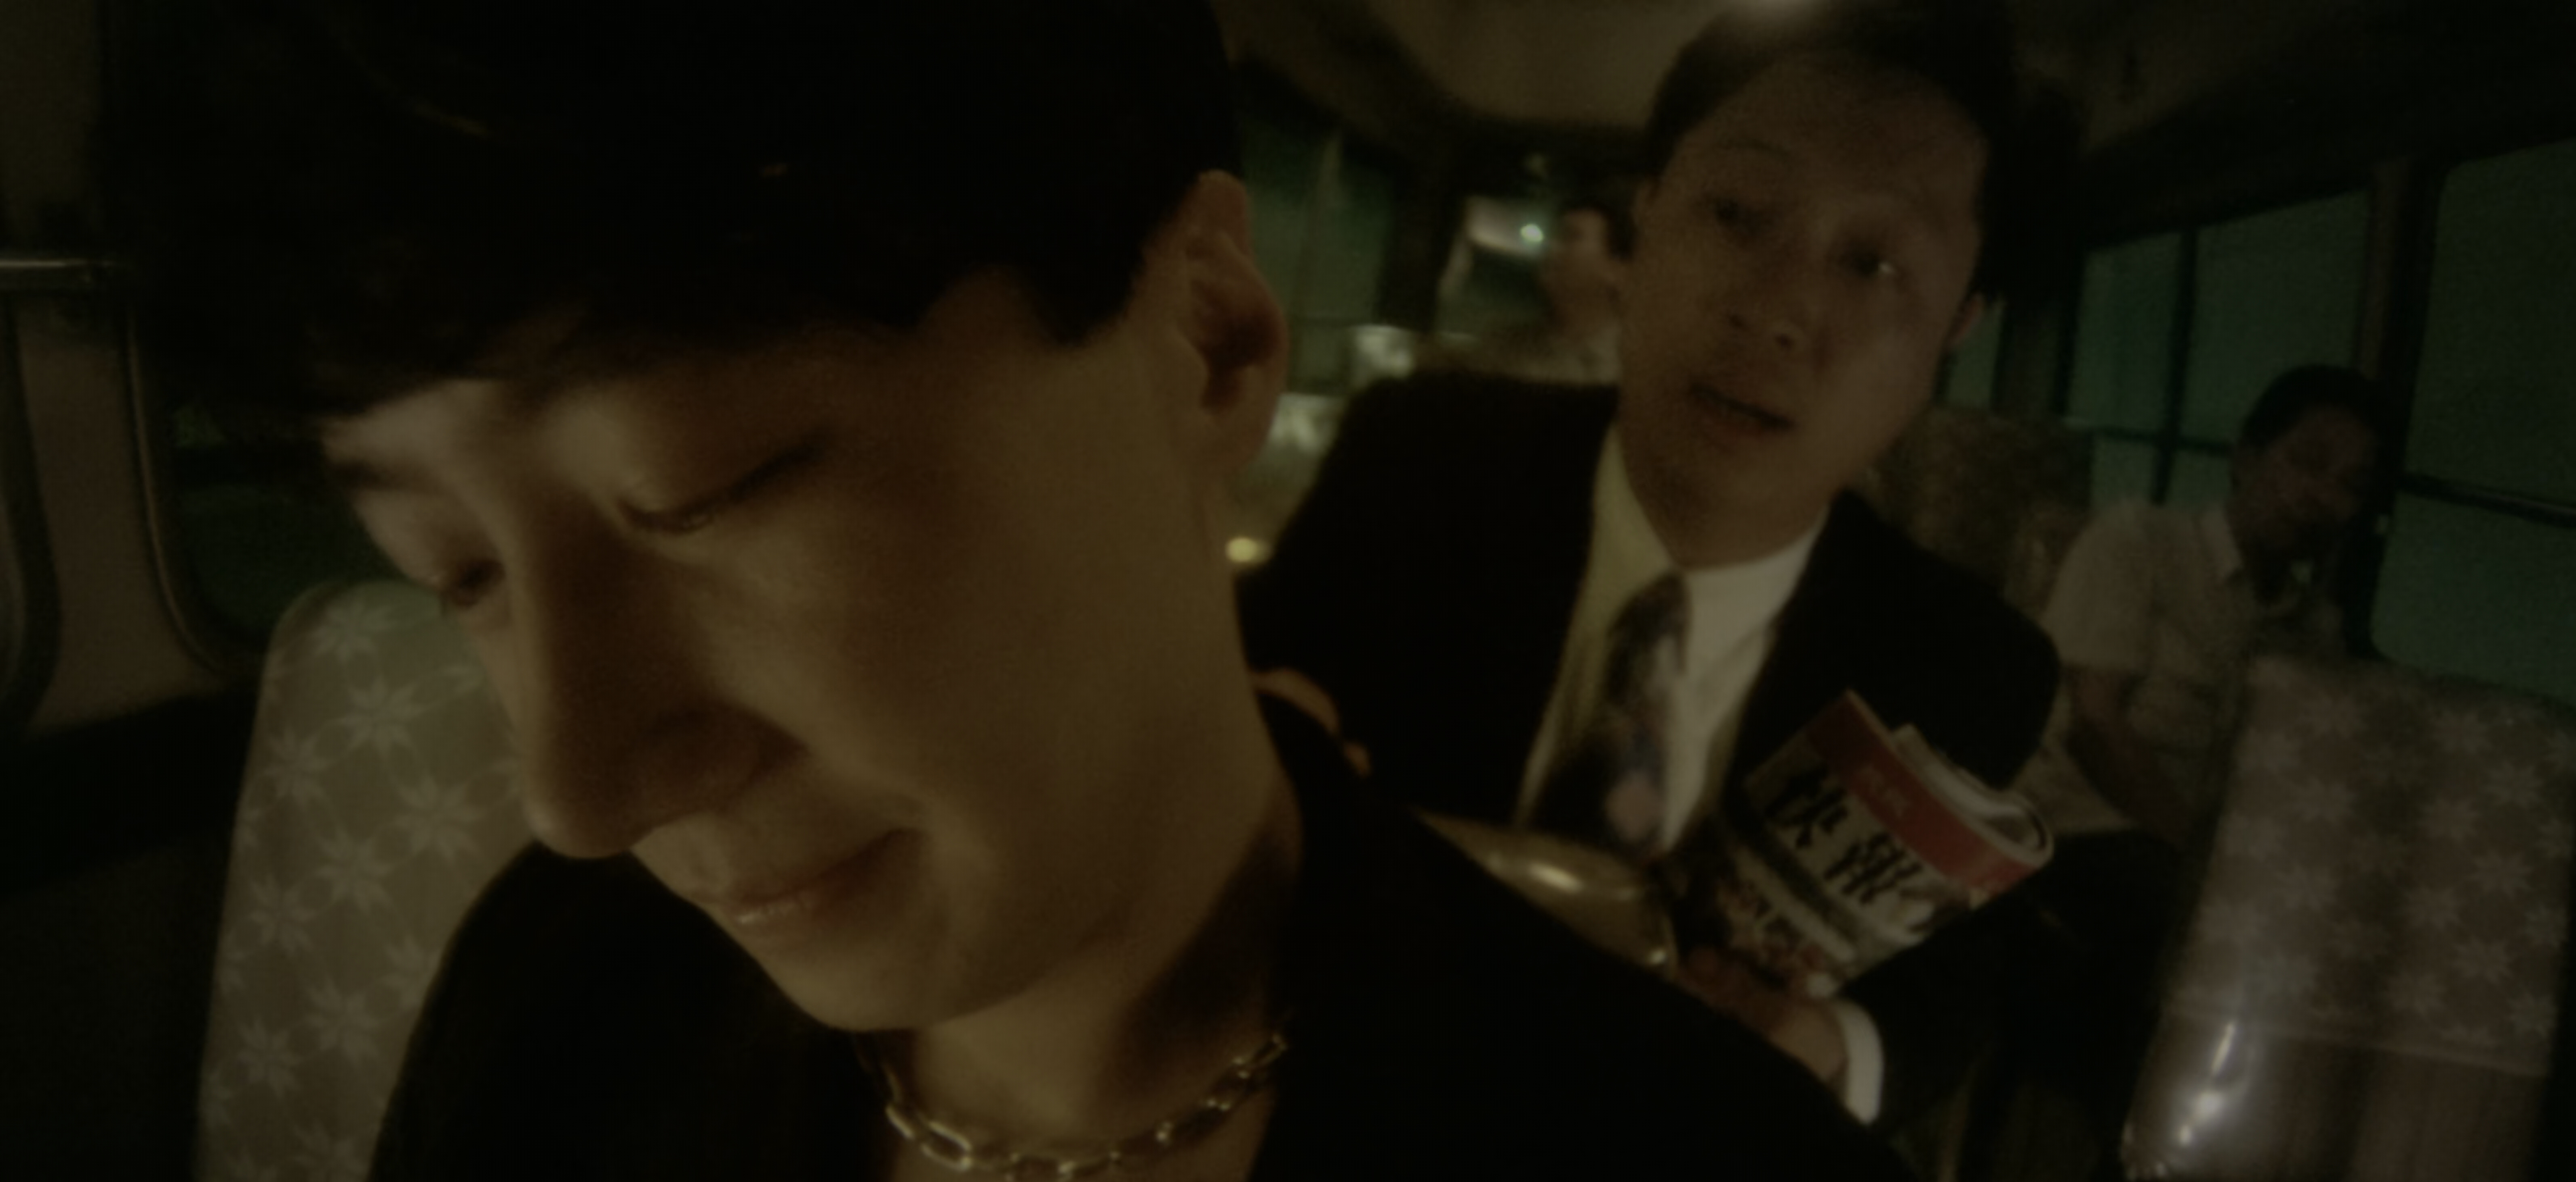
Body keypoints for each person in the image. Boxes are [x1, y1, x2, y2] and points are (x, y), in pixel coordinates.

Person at [131, 1, 1914, 1178]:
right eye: (452, 571)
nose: (579, 791)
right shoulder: (562, 994)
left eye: (710, 488)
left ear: (1206, 338)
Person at [1242, 0, 2071, 1131]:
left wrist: (1824, 1045)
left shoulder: (1969, 662)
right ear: (1649, 213)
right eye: (1736, 212)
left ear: (1957, 326)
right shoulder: (1414, 463)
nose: (1776, 310)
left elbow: (1949, 990)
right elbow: (1230, 743)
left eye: (1874, 262)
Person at [1991, 364, 2394, 1181]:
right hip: (2076, 831)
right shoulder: (2141, 541)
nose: (2321, 497)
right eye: (2307, 462)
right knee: (2185, 949)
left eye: (2350, 485)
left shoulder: (2313, 631)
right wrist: (2206, 858)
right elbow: (2095, 726)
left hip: (2205, 863)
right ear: (2246, 457)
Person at [1426, 195, 1631, 385]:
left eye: (1570, 237)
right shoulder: (1501, 350)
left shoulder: (1633, 366)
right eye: (1553, 236)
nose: (1551, 248)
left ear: (1616, 270)